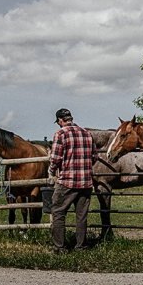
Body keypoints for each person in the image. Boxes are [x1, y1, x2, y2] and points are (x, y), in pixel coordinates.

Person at [48, 108, 94, 253]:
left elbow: (56, 158)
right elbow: (94, 157)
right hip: (86, 182)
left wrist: (51, 171)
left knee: (58, 212)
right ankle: (81, 246)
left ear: (60, 120)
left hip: (67, 181)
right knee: (81, 215)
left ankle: (59, 247)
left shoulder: (60, 134)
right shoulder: (87, 133)